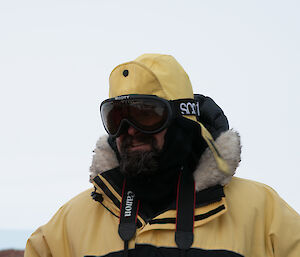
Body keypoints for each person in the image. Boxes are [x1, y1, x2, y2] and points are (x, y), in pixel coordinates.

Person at [25, 54, 300, 257]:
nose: (129, 131)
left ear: (182, 121)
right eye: (116, 117)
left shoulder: (263, 215)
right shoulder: (68, 226)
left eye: (146, 114)